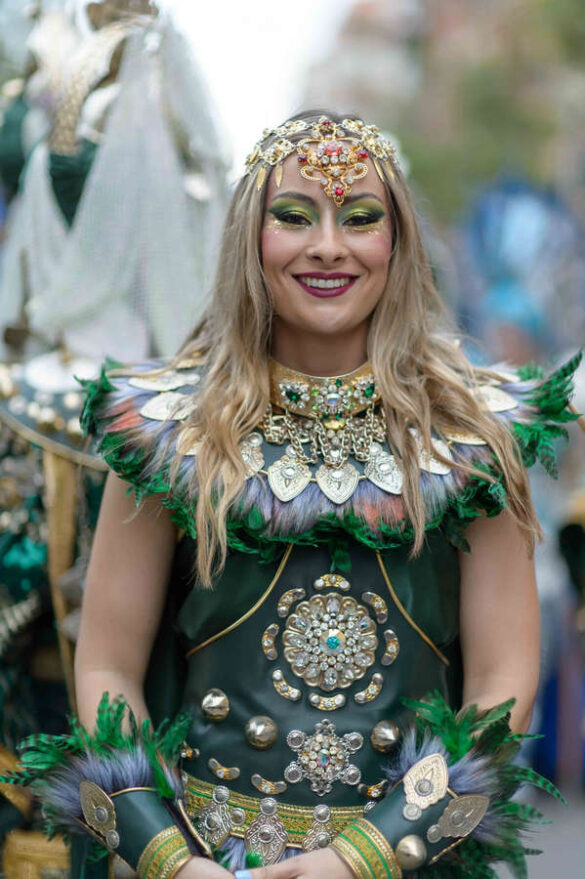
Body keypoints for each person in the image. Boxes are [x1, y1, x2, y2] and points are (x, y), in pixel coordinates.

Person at [8, 111, 579, 879]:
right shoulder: (165, 431)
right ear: (251, 236)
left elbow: (500, 690)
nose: (328, 246)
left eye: (360, 217)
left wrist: (360, 857)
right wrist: (171, 859)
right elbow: (107, 669)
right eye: (294, 216)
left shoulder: (472, 437)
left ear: (398, 240)